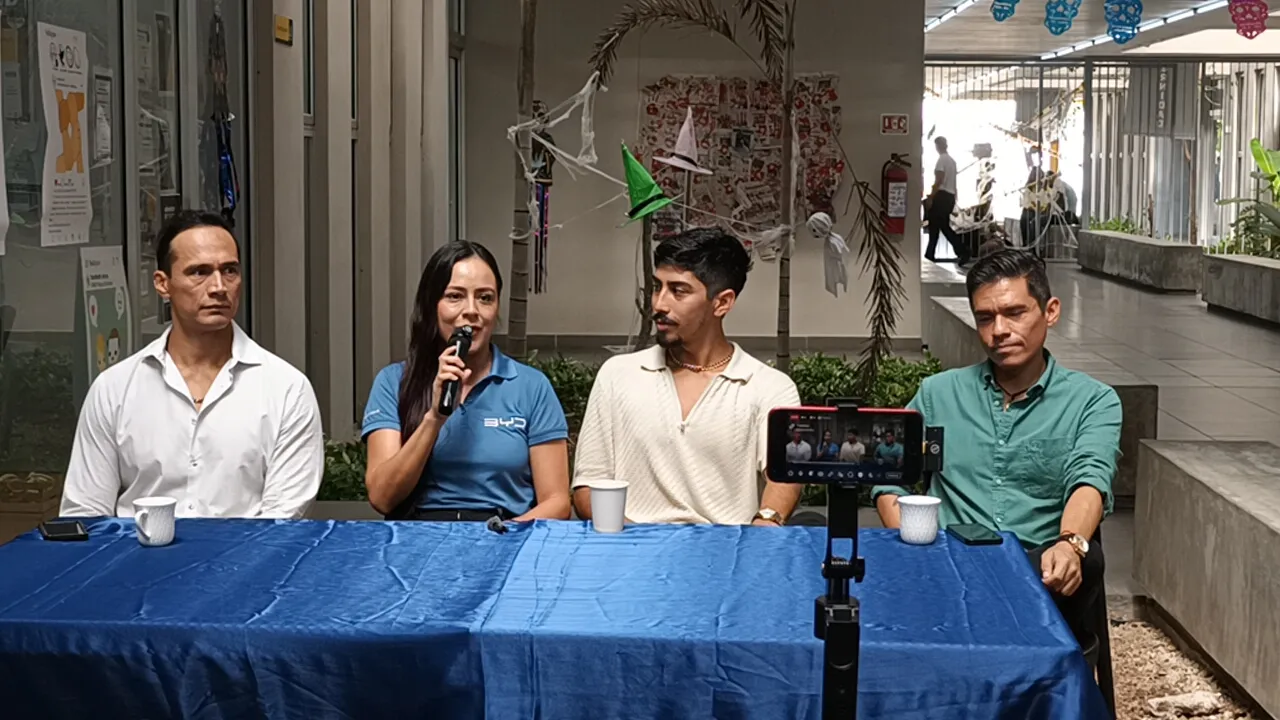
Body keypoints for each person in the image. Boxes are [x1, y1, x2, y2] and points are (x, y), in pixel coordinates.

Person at [872, 249, 1122, 651]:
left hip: (1037, 571)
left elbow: (1089, 479)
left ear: (1051, 311)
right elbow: (887, 476)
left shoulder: (1092, 401)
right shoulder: (938, 394)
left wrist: (1071, 542)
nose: (998, 330)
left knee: (1084, 560)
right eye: (985, 318)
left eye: (1015, 313)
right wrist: (905, 524)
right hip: (946, 566)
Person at [60, 210, 324, 519]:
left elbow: (282, 522)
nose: (218, 287)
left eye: (230, 271)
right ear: (162, 284)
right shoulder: (116, 388)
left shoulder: (286, 389)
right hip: (137, 563)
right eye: (199, 272)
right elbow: (85, 511)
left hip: (246, 563)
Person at [571, 227, 801, 526]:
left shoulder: (769, 387)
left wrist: (766, 523)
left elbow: (783, 480)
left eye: (678, 290)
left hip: (725, 554)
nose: (659, 304)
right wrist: (637, 540)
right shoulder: (617, 376)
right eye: (657, 287)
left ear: (722, 302)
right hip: (633, 551)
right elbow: (588, 486)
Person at [362, 241, 571, 522]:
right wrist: (434, 418)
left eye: (485, 298)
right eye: (455, 296)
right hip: (419, 540)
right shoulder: (393, 382)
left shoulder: (531, 386)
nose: (471, 310)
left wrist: (501, 535)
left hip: (503, 534)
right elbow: (382, 498)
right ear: (431, 305)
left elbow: (557, 502)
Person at [925, 136, 966, 264]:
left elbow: (939, 180)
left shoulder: (941, 160)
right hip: (949, 196)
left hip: (941, 196)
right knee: (939, 226)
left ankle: (963, 250)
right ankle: (929, 254)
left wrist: (931, 196)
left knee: (938, 226)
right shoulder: (952, 162)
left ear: (937, 146)